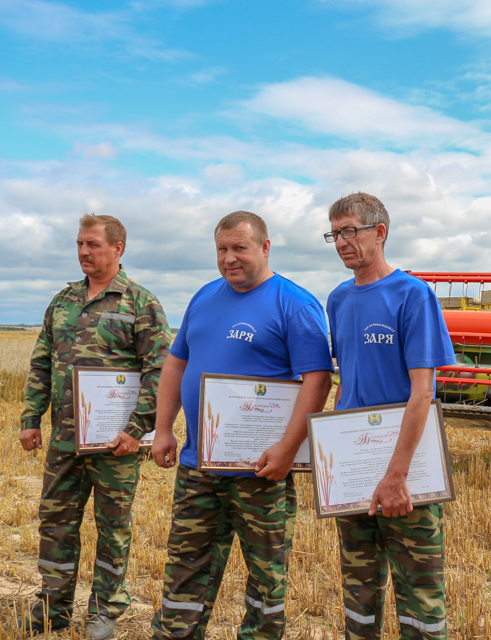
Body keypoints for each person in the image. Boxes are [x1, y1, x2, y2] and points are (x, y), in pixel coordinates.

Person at [149, 211, 333, 640]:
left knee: (266, 583)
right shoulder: (204, 297)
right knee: (183, 571)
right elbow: (176, 363)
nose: (229, 258)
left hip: (260, 473)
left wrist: (288, 448)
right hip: (199, 469)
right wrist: (163, 428)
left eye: (239, 248)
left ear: (265, 248)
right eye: (222, 249)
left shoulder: (295, 302)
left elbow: (318, 380)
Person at [15, 214, 171, 640]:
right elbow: (41, 362)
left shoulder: (141, 303)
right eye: (80, 244)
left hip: (116, 446)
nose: (84, 252)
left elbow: (158, 371)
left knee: (113, 528)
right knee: (56, 524)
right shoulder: (63, 300)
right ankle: (53, 606)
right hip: (65, 441)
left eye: (93, 245)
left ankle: (105, 610)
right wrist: (31, 418)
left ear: (118, 248)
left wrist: (137, 430)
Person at [324, 192, 455, 639]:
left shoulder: (413, 296)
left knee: (419, 593)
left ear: (379, 232)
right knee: (358, 590)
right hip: (354, 469)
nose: (341, 242)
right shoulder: (338, 300)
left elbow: (422, 394)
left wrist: (397, 475)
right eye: (334, 233)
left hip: (405, 470)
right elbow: (347, 382)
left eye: (349, 231)